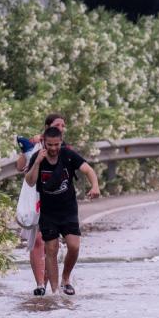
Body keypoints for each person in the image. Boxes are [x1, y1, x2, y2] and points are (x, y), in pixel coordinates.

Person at [24, 126, 100, 295]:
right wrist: (36, 162)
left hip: (68, 209)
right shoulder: (38, 157)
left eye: (56, 144)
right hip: (48, 212)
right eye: (49, 145)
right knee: (51, 249)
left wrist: (95, 186)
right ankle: (54, 291)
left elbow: (88, 170)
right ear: (44, 143)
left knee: (74, 246)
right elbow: (29, 181)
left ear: (60, 142)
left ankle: (66, 279)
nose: (53, 148)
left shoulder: (68, 155)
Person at [16, 113, 67, 296]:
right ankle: (39, 283)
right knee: (37, 239)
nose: (61, 128)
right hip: (34, 195)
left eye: (63, 125)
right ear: (47, 127)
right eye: (57, 125)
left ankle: (47, 281)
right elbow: (19, 166)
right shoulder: (34, 145)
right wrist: (28, 149)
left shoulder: (63, 148)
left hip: (54, 197)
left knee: (50, 240)